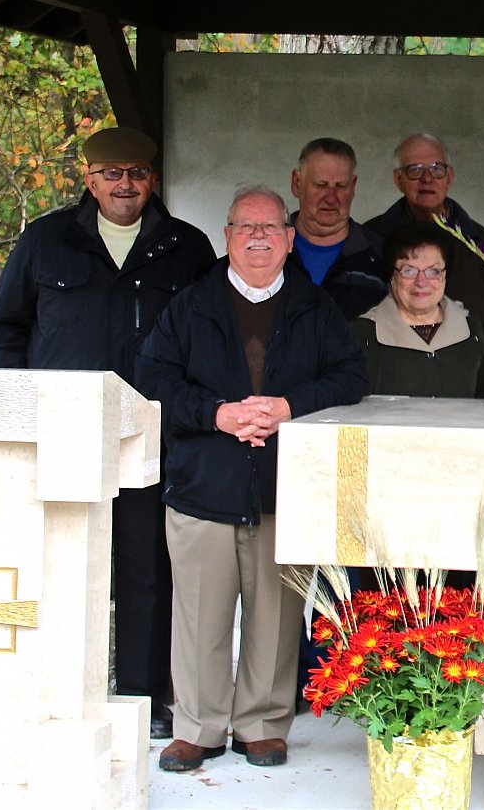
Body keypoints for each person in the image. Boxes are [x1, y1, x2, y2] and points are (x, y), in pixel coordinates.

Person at [0, 125, 215, 742]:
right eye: (111, 174)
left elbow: (206, 344)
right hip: (61, 438)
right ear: (88, 178)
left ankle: (142, 696)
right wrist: (15, 423)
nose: (125, 185)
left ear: (153, 179)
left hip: (149, 438)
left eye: (136, 173)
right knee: (61, 568)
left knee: (145, 572)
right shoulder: (46, 241)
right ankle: (57, 694)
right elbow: (4, 335)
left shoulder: (185, 248)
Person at [137, 186, 365, 773]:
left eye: (270, 227)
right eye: (246, 227)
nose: (259, 237)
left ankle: (262, 724)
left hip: (284, 488)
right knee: (199, 617)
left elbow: (348, 378)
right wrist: (217, 414)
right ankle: (197, 727)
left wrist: (289, 406)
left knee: (275, 616)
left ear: (290, 239)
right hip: (201, 485)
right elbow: (153, 376)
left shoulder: (316, 308)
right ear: (227, 235)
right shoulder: (190, 306)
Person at [366, 133, 484, 399]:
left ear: (450, 177)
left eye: (437, 169)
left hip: (467, 398)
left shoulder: (481, 246)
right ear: (398, 180)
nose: (427, 179)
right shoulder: (372, 240)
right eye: (415, 170)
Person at [352, 221, 484, 399]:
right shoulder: (363, 333)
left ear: (444, 276)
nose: (421, 282)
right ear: (392, 276)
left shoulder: (470, 328)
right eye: (409, 270)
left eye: (433, 271)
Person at [287, 138, 390, 319]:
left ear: (353, 186)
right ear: (297, 183)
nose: (331, 198)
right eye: (321, 185)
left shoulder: (383, 256)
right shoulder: (267, 250)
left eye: (341, 186)